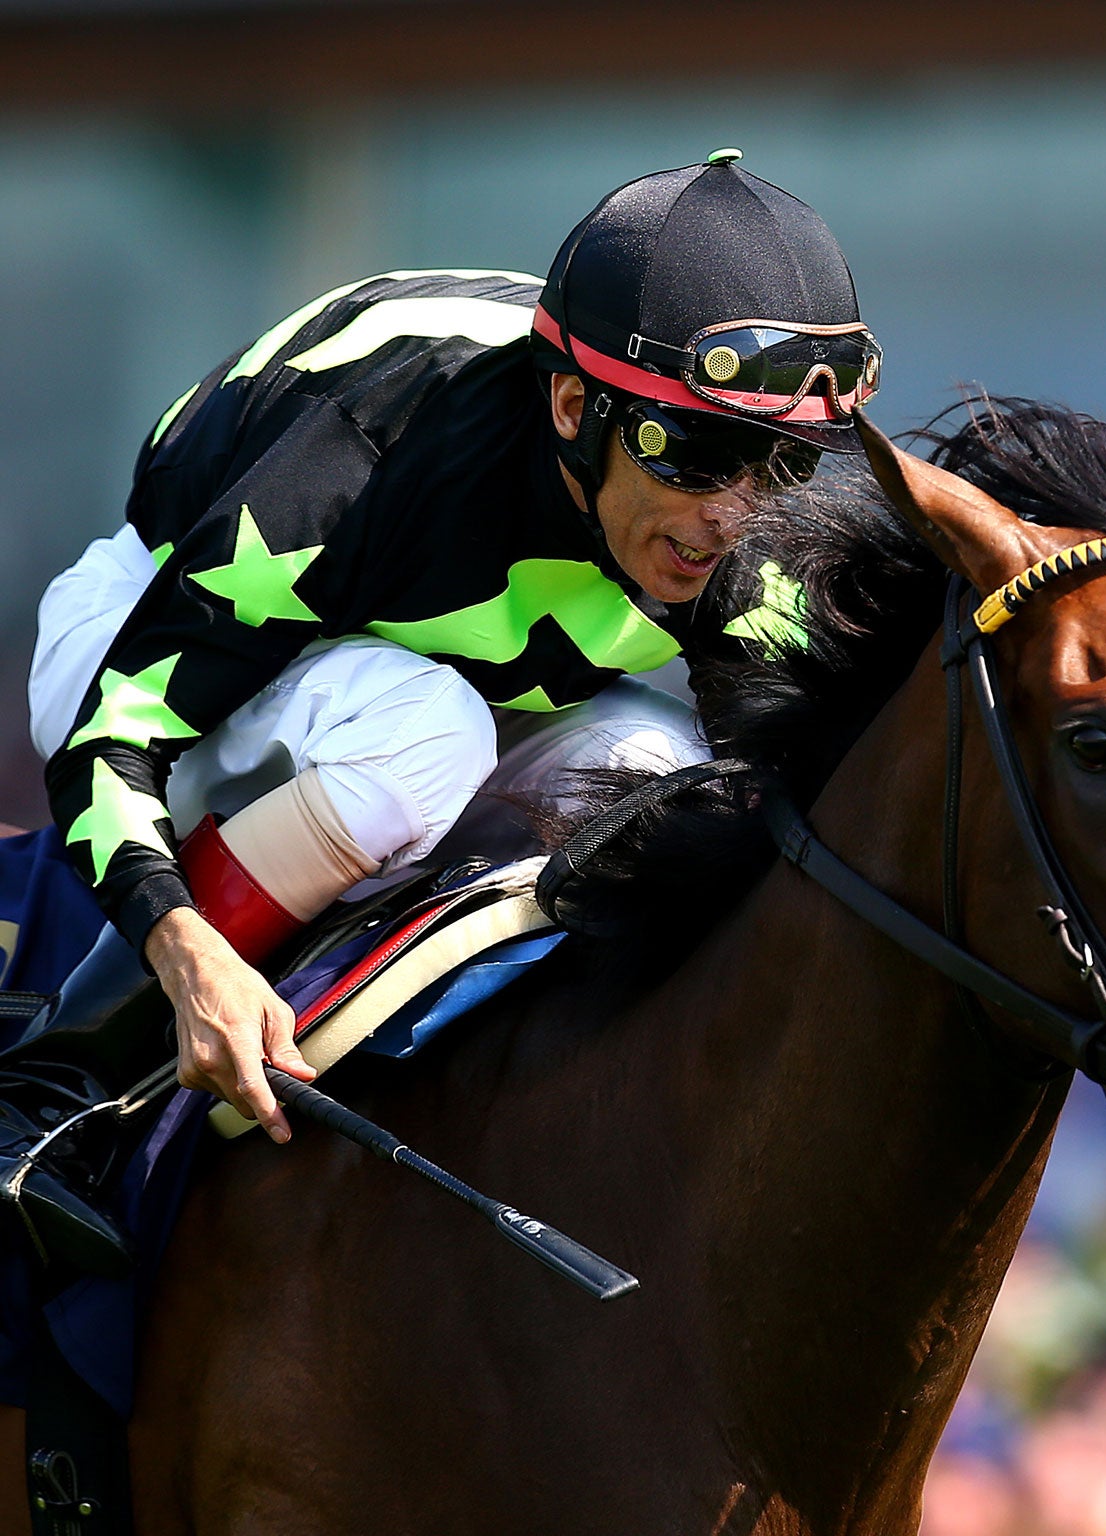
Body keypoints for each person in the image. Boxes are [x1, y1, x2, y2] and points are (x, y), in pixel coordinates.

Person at [0, 150, 882, 1274]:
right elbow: (109, 743)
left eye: (786, 464)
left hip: (424, 686)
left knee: (657, 769)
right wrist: (185, 955)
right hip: (145, 634)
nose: (733, 517)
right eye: (699, 454)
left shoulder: (737, 536)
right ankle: (53, 1088)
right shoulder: (376, 443)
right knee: (426, 734)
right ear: (573, 405)